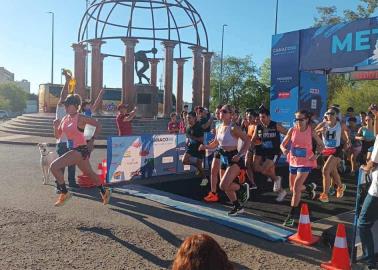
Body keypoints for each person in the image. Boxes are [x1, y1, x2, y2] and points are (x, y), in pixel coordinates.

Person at [50, 94, 111, 206]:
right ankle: (104, 191)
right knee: (90, 174)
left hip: (80, 150)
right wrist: (55, 126)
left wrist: (91, 141)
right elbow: (58, 136)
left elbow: (98, 125)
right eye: (66, 105)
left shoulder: (81, 118)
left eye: (70, 105)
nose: (67, 107)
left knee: (53, 166)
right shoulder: (64, 119)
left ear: (77, 106)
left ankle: (64, 193)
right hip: (75, 150)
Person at [200, 105, 250, 216]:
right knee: (226, 186)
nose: (221, 113)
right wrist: (205, 147)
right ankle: (238, 206)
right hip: (223, 157)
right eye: (221, 111)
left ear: (230, 115)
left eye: (224, 111)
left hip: (233, 158)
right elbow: (215, 144)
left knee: (223, 185)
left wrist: (240, 154)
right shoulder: (218, 127)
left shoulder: (233, 128)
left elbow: (247, 141)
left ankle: (242, 187)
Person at [280, 110, 324, 227]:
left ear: (306, 119)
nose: (298, 121)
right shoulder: (292, 130)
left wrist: (316, 155)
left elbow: (321, 145)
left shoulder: (311, 132)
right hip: (293, 162)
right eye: (296, 119)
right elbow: (282, 144)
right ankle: (309, 187)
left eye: (301, 119)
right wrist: (283, 149)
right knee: (292, 188)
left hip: (306, 162)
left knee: (296, 188)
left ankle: (291, 216)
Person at [252, 107, 288, 202]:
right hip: (261, 150)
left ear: (269, 117)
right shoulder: (258, 127)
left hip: (273, 152)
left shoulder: (275, 125)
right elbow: (253, 139)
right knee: (255, 167)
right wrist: (253, 144)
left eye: (263, 117)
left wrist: (283, 146)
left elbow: (288, 133)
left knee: (264, 170)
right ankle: (278, 184)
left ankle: (278, 182)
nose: (261, 119)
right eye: (260, 117)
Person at [358, 105, 378, 270]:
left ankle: (370, 261)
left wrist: (364, 167)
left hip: (376, 191)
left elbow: (373, 163)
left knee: (363, 223)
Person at [316, 108, 349, 203]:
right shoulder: (323, 124)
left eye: (332, 113)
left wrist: (347, 140)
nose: (330, 115)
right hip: (326, 150)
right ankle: (340, 187)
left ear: (336, 115)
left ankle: (325, 194)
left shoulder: (340, 125)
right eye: (328, 113)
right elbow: (312, 132)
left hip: (336, 150)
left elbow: (346, 131)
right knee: (333, 171)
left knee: (325, 170)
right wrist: (320, 130)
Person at [55, 70, 77, 190]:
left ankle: (72, 182)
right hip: (62, 142)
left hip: (72, 142)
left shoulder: (72, 112)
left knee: (72, 163)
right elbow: (63, 95)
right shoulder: (60, 109)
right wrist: (67, 81)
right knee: (61, 164)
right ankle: (59, 185)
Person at [203, 105, 222, 202]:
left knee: (224, 179)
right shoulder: (217, 124)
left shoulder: (231, 125)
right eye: (216, 113)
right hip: (219, 150)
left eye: (219, 112)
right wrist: (207, 146)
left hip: (228, 153)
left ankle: (240, 188)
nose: (218, 114)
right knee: (213, 171)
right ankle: (213, 193)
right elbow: (216, 141)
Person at [183, 111, 207, 185]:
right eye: (187, 118)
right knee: (184, 161)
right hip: (191, 147)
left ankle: (205, 179)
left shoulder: (199, 126)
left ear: (194, 118)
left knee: (200, 166)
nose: (188, 119)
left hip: (199, 148)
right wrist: (187, 140)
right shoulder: (187, 127)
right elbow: (187, 137)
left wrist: (192, 137)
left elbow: (202, 139)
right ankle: (198, 167)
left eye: (189, 118)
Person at [245, 110, 258, 190]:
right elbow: (248, 138)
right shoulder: (249, 126)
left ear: (254, 118)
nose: (248, 118)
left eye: (250, 117)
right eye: (247, 116)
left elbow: (254, 138)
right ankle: (252, 183)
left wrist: (250, 147)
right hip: (250, 148)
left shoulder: (257, 126)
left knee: (255, 166)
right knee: (247, 164)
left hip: (257, 148)